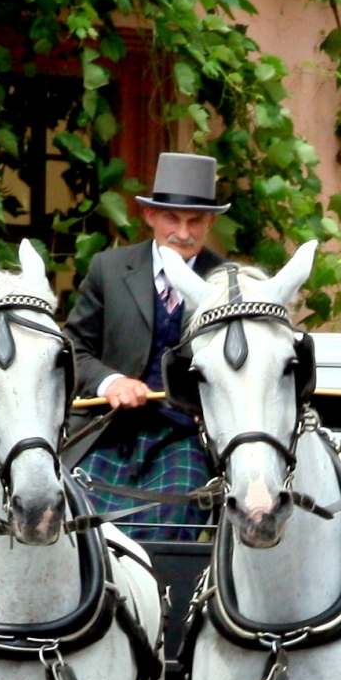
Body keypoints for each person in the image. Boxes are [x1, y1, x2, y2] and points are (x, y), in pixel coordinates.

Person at [64, 151, 229, 542]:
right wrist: (111, 382)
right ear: (149, 216)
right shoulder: (109, 269)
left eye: (195, 221)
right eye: (172, 217)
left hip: (183, 438)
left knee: (168, 521)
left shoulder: (226, 282)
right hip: (105, 432)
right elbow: (71, 349)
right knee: (79, 524)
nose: (184, 233)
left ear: (210, 222)